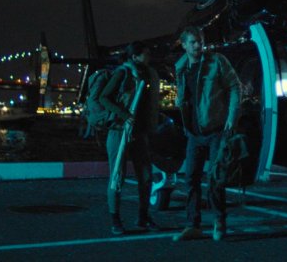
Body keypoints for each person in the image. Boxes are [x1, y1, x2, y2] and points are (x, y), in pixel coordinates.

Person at [172, 25, 241, 242]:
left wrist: (232, 116)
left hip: (216, 130)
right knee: (190, 177)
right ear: (183, 45)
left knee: (215, 178)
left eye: (200, 41)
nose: (198, 45)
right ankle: (193, 225)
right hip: (194, 132)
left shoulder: (216, 61)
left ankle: (219, 222)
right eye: (192, 42)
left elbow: (235, 87)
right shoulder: (181, 67)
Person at [99, 41, 161, 235]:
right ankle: (115, 219)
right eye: (146, 54)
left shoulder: (148, 74)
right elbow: (104, 97)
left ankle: (143, 217)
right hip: (119, 131)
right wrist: (125, 115)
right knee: (117, 176)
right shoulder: (122, 73)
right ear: (134, 57)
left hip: (139, 132)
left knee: (146, 175)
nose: (149, 57)